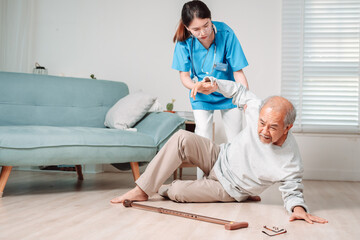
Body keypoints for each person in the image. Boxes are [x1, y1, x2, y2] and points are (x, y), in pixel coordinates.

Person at [111, 78, 328, 224]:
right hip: (219, 156)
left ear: (287, 127)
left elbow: (292, 191)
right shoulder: (257, 107)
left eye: (273, 127)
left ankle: (163, 188)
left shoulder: (290, 161)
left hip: (230, 188)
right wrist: (213, 83)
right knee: (181, 138)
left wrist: (298, 209)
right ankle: (142, 189)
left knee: (177, 192)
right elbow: (238, 91)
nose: (264, 131)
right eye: (262, 123)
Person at [172, 0, 249, 179]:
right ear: (187, 28)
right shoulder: (184, 42)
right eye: (196, 30)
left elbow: (238, 72)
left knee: (236, 138)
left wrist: (244, 98)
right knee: (203, 138)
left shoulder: (226, 33)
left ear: (211, 19)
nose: (203, 32)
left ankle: (239, 181)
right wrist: (196, 86)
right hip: (200, 93)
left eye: (206, 25)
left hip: (227, 93)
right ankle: (202, 181)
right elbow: (184, 77)